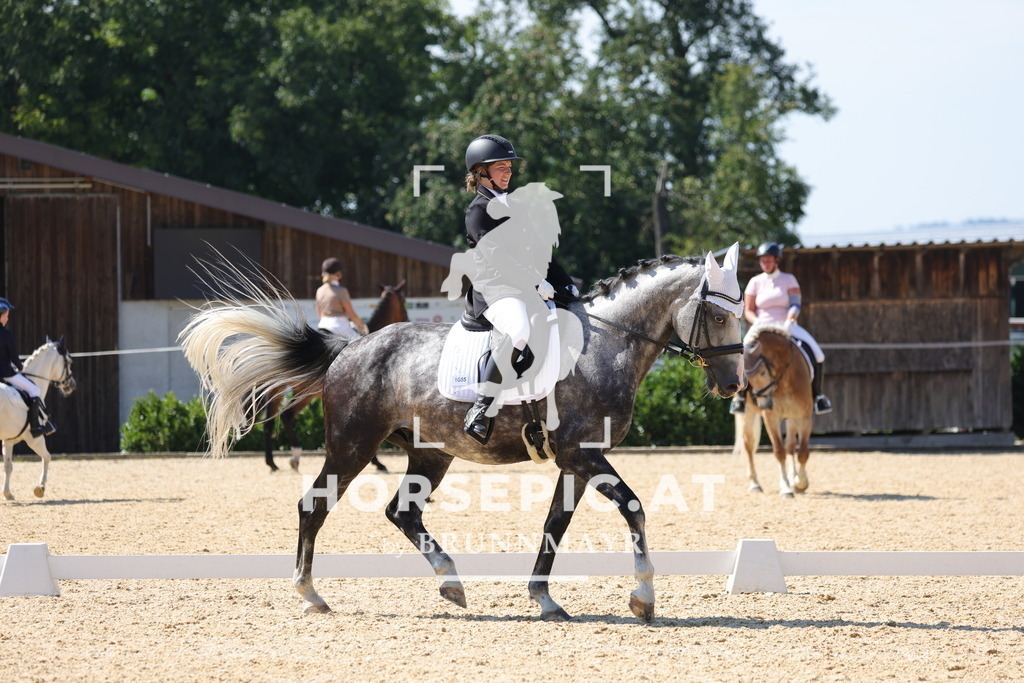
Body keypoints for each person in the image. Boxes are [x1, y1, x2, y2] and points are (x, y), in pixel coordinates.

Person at [453, 134, 579, 444]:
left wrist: (567, 285)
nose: (508, 172)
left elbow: (539, 251)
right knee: (519, 331)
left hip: (526, 287)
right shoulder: (478, 211)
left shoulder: (516, 207)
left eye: (509, 167)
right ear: (481, 172)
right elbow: (498, 257)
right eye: (500, 167)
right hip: (495, 290)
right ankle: (480, 410)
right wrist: (535, 282)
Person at [730, 242, 833, 415]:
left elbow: (795, 304)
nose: (765, 263)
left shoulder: (788, 279)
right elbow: (748, 310)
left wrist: (791, 318)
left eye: (769, 260)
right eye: (763, 260)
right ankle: (740, 398)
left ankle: (818, 396)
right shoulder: (755, 282)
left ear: (777, 260)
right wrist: (757, 323)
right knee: (742, 355)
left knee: (817, 353)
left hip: (785, 325)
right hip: (760, 327)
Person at [0, 297, 56, 436]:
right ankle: (35, 427)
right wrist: (20, 367)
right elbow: (13, 357)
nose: (7, 318)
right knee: (34, 389)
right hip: (6, 374)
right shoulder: (7, 334)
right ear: (1, 316)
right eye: (7, 315)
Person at [315, 258, 369, 339]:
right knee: (361, 342)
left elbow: (319, 313)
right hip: (339, 327)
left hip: (322, 326)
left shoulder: (319, 290)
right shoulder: (342, 291)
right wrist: (362, 327)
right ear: (338, 274)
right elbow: (351, 314)